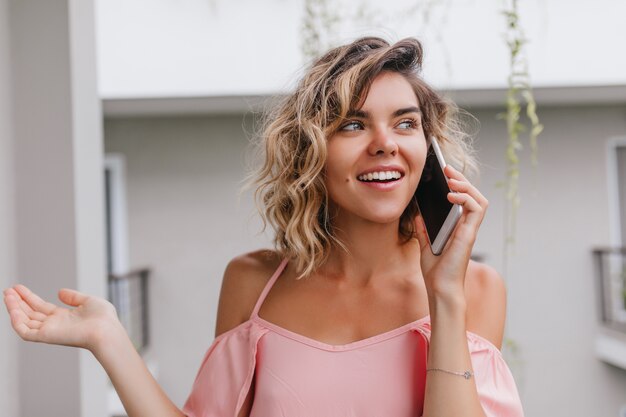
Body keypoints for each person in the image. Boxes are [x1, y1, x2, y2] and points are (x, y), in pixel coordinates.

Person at [3, 37, 524, 417]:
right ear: (311, 151)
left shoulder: (473, 290)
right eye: (352, 124)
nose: (385, 142)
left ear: (427, 153)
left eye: (406, 123)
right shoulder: (254, 285)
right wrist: (108, 338)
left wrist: (444, 294)